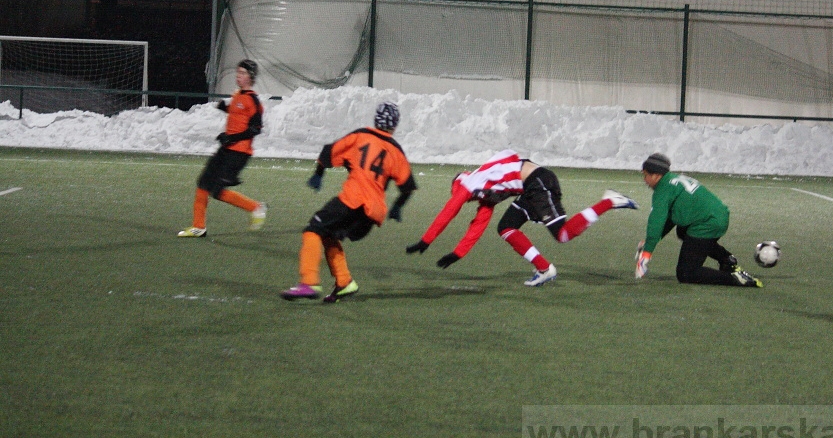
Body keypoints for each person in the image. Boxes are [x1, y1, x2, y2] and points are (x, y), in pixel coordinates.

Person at [405, 149, 638, 286]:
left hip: (538, 183)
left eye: (462, 196)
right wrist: (458, 253)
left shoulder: (470, 184)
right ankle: (544, 269)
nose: (466, 200)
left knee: (563, 234)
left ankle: (609, 201)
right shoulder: (484, 184)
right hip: (530, 187)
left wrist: (426, 241)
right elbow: (479, 223)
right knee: (506, 227)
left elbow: (449, 211)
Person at [281, 102, 417, 303]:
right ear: (394, 125)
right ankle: (344, 282)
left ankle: (308, 282)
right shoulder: (396, 151)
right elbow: (407, 186)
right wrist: (397, 207)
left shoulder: (361, 136)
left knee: (313, 229)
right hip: (372, 214)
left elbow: (329, 151)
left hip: (352, 200)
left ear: (375, 119)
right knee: (328, 235)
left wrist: (318, 174)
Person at [635, 152, 761, 287]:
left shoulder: (662, 190)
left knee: (686, 274)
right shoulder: (673, 180)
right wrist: (651, 241)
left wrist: (647, 253)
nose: (644, 179)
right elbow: (670, 217)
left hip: (707, 223)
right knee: (682, 231)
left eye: (646, 175)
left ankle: (734, 278)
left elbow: (656, 222)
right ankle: (726, 259)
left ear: (656, 174)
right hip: (716, 216)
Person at [177, 59, 267, 238]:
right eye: (238, 72)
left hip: (239, 152)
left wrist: (231, 137)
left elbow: (255, 128)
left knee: (217, 191)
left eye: (242, 73)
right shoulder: (238, 95)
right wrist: (224, 108)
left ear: (251, 76)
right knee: (203, 183)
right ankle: (198, 227)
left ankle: (256, 207)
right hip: (226, 149)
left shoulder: (252, 100)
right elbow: (238, 115)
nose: (238, 76)